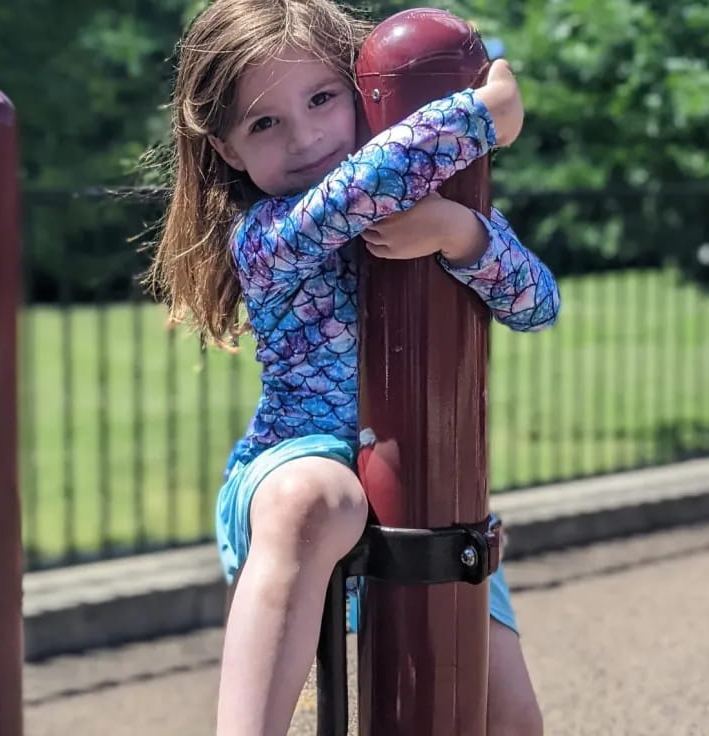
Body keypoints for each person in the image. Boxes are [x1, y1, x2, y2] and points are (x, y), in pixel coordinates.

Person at [147, 1, 560, 734]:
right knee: (317, 498)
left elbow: (537, 304)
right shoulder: (269, 235)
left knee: (513, 722)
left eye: (321, 98)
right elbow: (355, 193)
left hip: (427, 482)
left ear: (362, 95)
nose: (304, 137)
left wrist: (462, 233)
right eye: (264, 122)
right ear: (230, 150)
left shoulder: (422, 200)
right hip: (298, 453)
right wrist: (484, 118)